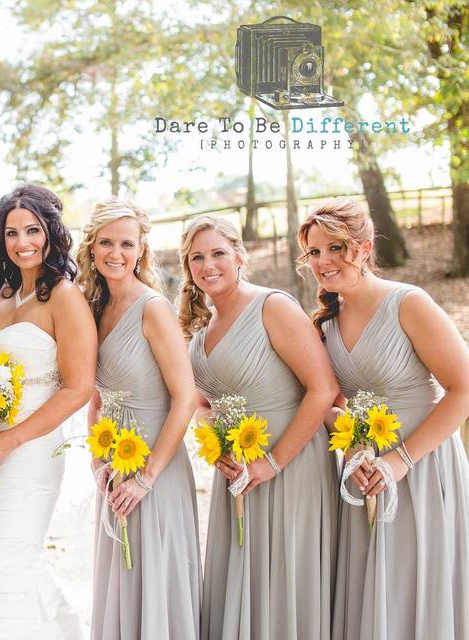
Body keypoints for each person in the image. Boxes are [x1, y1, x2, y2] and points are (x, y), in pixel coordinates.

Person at [298, 199, 469, 640]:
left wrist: (400, 461)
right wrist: (356, 450)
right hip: (365, 470)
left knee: (416, 583)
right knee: (373, 588)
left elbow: (463, 389)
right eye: (314, 252)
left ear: (365, 246)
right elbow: (331, 403)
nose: (323, 262)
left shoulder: (409, 303)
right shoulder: (325, 324)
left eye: (335, 248)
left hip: (422, 464)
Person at [0, 184, 96, 640]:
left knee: (4, 558)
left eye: (32, 230)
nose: (22, 242)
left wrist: (7, 440)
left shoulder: (65, 296)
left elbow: (79, 387)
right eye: (12, 233)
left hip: (29, 453)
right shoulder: (1, 293)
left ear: (51, 233)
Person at [181, 215, 340, 640]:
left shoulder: (273, 306)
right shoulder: (201, 332)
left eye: (217, 253)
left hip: (292, 464)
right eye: (197, 257)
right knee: (242, 575)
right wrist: (218, 447)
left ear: (239, 256)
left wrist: (272, 461)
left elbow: (322, 389)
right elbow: (201, 403)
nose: (207, 265)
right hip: (238, 471)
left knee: (287, 577)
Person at [80, 199, 200, 639]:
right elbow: (96, 397)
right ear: (91, 248)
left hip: (156, 464)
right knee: (121, 574)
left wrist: (147, 477)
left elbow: (185, 397)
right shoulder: (95, 309)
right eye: (106, 242)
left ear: (141, 248)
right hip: (114, 462)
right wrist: (97, 463)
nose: (116, 252)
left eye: (126, 243)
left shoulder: (152, 308)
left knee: (155, 569)